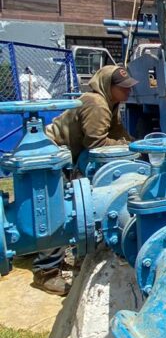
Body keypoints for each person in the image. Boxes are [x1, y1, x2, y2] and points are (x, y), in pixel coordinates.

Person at [32, 65, 138, 295]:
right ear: (109, 87)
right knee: (56, 210)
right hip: (50, 155)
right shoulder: (96, 103)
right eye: (124, 88)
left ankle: (69, 255)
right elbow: (97, 143)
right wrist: (129, 147)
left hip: (64, 155)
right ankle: (46, 272)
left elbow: (117, 132)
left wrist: (135, 143)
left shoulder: (110, 102)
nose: (128, 92)